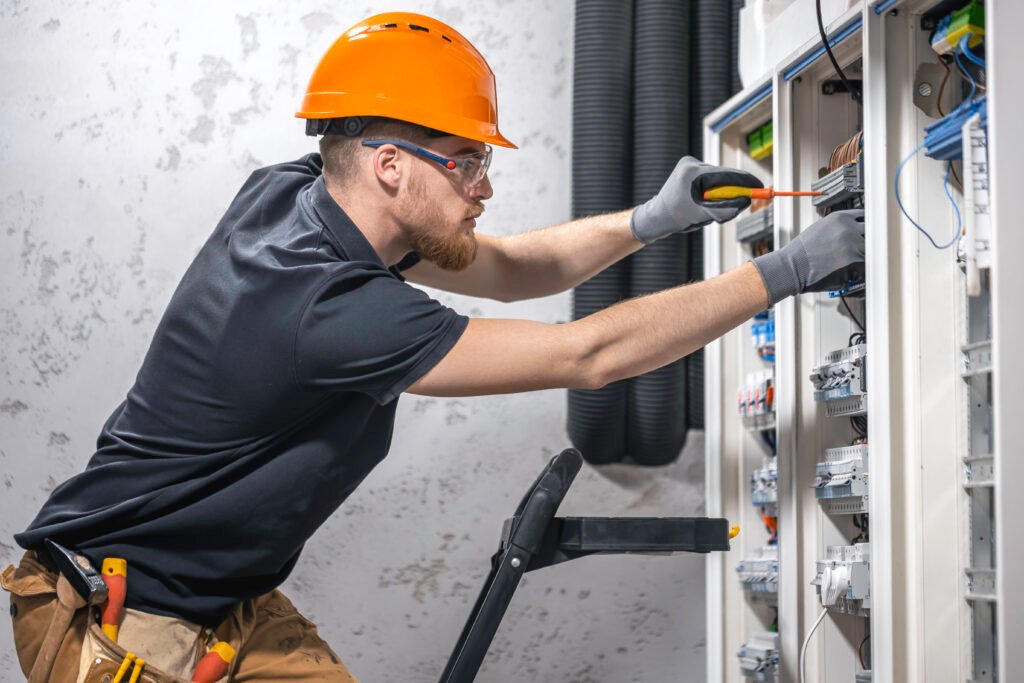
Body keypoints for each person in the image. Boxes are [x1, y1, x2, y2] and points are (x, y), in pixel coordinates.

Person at [1, 11, 865, 683]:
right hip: (117, 619)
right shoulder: (336, 308)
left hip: (207, 597)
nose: (484, 186)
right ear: (387, 165)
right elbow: (587, 356)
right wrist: (783, 273)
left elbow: (517, 266)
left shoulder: (296, 193)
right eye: (464, 162)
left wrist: (652, 220)